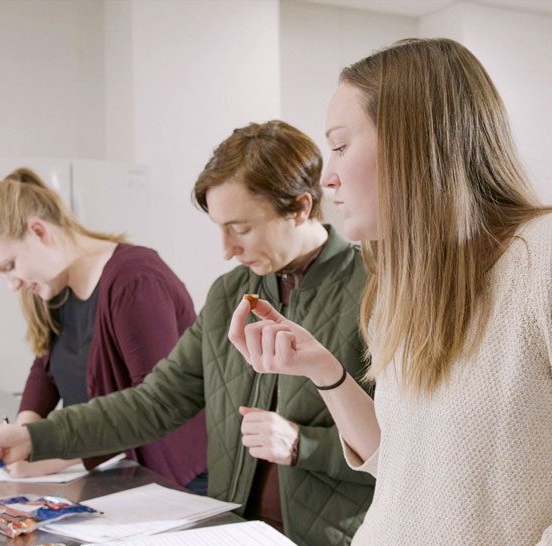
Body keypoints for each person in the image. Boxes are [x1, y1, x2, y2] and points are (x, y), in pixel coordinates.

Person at [0, 121, 374, 545]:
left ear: (299, 207)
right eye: (219, 228)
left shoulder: (374, 288)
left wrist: (304, 445)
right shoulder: (231, 293)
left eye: (240, 229)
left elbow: (409, 447)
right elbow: (156, 401)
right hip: (233, 530)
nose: (226, 250)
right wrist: (30, 437)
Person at [225, 38, 552, 545]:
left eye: (339, 146)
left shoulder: (541, 260)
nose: (328, 177)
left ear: (415, 141)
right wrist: (321, 368)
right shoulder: (405, 279)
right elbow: (404, 468)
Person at [0, 168, 207, 490]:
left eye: (9, 267)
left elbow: (154, 408)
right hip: (115, 479)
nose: (12, 284)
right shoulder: (55, 287)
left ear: (38, 231)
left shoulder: (135, 281)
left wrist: (49, 451)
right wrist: (20, 437)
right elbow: (45, 370)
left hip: (175, 483)